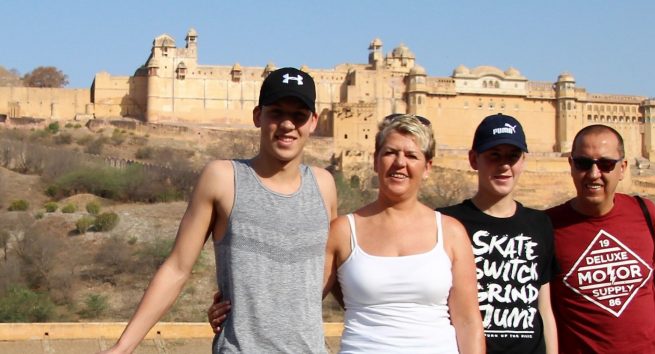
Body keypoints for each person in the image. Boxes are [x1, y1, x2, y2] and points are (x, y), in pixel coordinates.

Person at [101, 67, 338, 353]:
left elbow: (331, 270)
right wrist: (122, 348)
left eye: (299, 116)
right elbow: (177, 268)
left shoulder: (323, 185)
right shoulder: (223, 178)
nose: (287, 124)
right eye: (276, 113)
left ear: (313, 122)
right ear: (258, 116)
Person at [327, 114, 485, 353]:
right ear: (375, 160)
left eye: (412, 155)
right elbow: (303, 302)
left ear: (427, 167)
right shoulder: (342, 231)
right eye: (390, 152)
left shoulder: (451, 232)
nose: (400, 163)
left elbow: (468, 322)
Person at [544, 124, 655, 353]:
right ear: (571, 166)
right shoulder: (547, 227)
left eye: (605, 164)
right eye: (584, 163)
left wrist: (652, 332)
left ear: (622, 168)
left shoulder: (646, 212)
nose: (594, 174)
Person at [437, 113, 557, 353]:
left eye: (513, 156)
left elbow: (544, 307)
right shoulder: (446, 222)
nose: (504, 165)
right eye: (494, 155)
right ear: (474, 159)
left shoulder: (540, 224)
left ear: (523, 161)